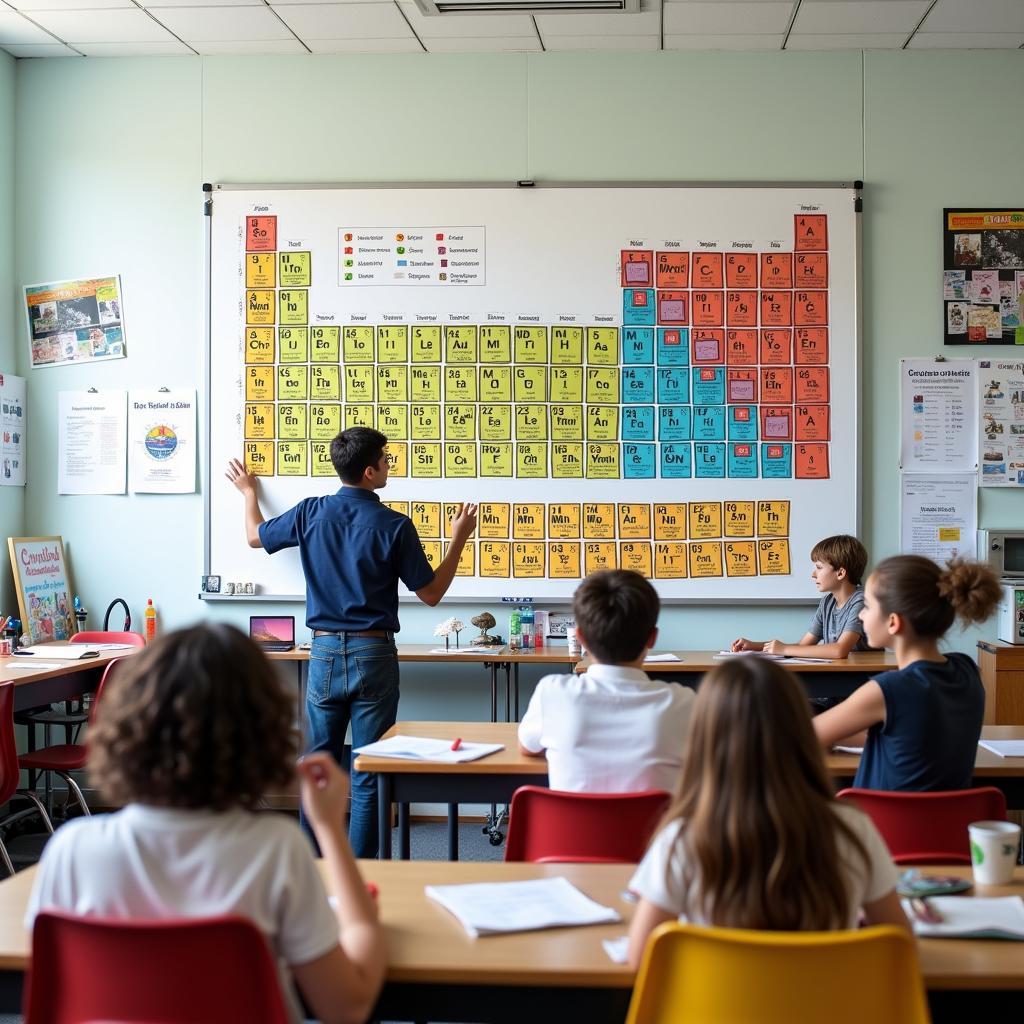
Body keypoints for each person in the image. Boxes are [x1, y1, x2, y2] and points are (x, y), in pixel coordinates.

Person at [25, 625, 385, 1024]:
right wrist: (331, 832)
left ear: (129, 725)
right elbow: (347, 1007)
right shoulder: (276, 851)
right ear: (263, 734)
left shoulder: (71, 850)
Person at [226, 427, 477, 856]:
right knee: (367, 768)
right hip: (373, 653)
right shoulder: (394, 525)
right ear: (368, 471)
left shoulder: (310, 513)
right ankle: (363, 871)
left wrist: (249, 492)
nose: (388, 466)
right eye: (385, 460)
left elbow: (255, 536)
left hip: (322, 651)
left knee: (316, 766)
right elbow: (431, 594)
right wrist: (459, 538)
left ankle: (314, 867)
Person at [626, 658, 906, 968]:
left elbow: (641, 957)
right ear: (800, 730)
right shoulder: (851, 827)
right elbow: (899, 944)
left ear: (705, 740)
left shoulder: (683, 838)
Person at [814, 555, 1003, 791]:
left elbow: (803, 735)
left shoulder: (886, 689)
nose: (861, 615)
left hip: (880, 827)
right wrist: (838, 735)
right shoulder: (968, 672)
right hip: (950, 826)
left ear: (893, 622)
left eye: (868, 607)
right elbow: (915, 737)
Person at [518, 569, 695, 793]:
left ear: (580, 637)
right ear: (652, 638)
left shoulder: (552, 692)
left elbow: (527, 747)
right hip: (654, 829)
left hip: (574, 829)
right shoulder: (683, 702)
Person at [731, 534, 870, 658]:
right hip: (840, 673)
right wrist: (754, 646)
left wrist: (784, 649)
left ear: (840, 573)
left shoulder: (861, 601)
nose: (813, 574)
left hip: (861, 676)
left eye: (819, 567)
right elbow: (803, 645)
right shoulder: (827, 602)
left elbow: (839, 650)